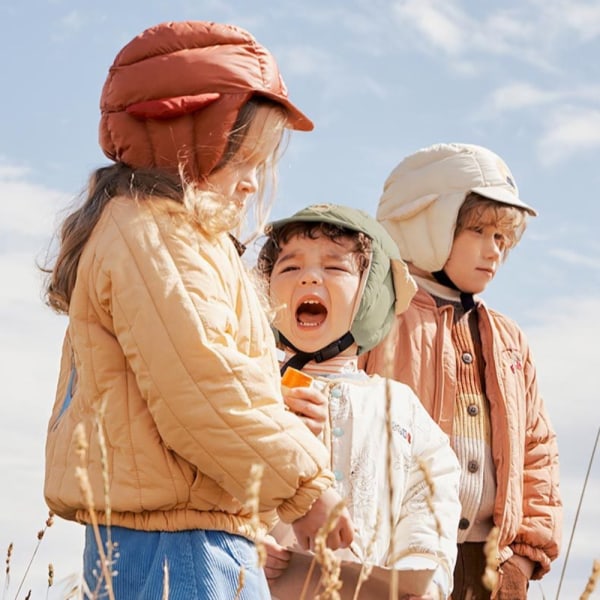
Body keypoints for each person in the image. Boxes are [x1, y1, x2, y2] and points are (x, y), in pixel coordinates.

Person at [42, 21, 353, 600]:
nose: (251, 184)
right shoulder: (159, 239)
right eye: (242, 158)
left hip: (169, 534)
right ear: (191, 140)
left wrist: (267, 397)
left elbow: (173, 376)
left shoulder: (156, 232)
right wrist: (306, 488)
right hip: (183, 544)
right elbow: (204, 387)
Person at [363, 143, 562, 599]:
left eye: (501, 239)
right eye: (478, 230)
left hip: (491, 565)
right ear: (427, 224)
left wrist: (525, 559)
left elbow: (537, 453)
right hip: (400, 556)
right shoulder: (377, 320)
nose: (494, 250)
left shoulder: (509, 340)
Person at [256, 204, 462, 600]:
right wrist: (245, 543)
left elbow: (429, 499)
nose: (309, 278)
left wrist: (419, 578)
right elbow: (210, 481)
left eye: (334, 268)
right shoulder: (251, 388)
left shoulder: (398, 407)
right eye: (289, 268)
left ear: (371, 295)